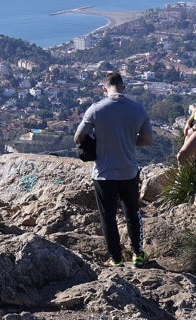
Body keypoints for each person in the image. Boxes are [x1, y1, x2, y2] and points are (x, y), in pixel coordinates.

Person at [75, 71, 154, 268]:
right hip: (128, 171)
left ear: (104, 88)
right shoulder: (137, 109)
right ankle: (137, 255)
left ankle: (116, 258)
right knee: (132, 213)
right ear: (123, 87)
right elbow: (147, 140)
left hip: (104, 174)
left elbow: (78, 137)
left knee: (108, 217)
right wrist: (127, 140)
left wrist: (99, 141)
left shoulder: (96, 109)